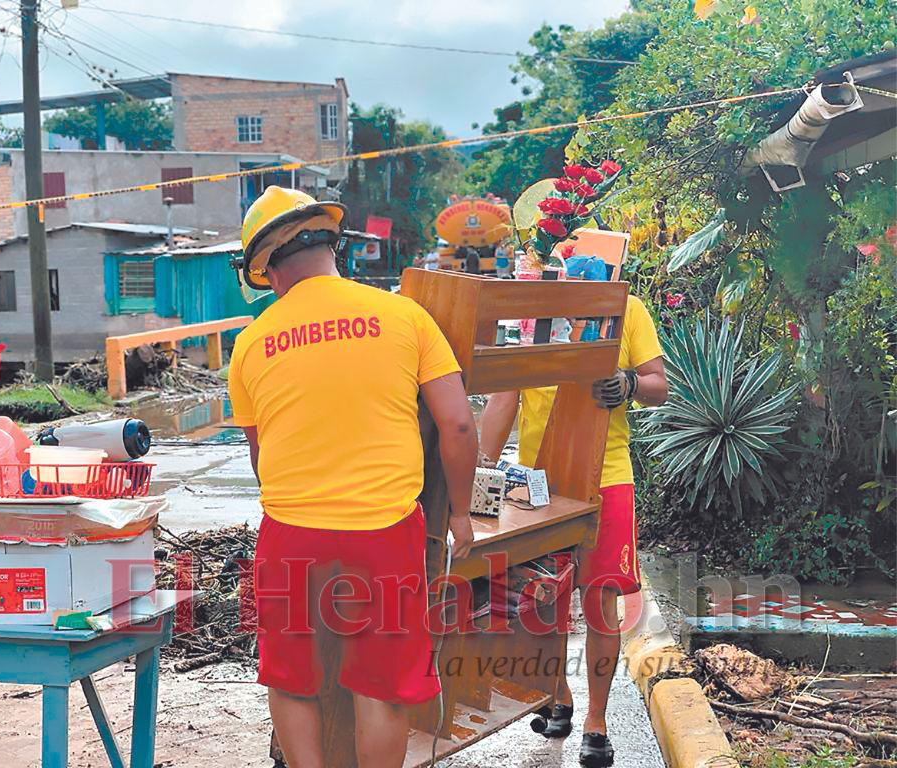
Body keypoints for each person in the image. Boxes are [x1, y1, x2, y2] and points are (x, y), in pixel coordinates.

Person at [229, 186, 478, 768]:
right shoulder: (404, 316)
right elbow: (460, 426)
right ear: (334, 245)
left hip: (290, 532)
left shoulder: (249, 345)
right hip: (386, 531)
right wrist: (461, 512)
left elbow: (260, 454)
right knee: (380, 686)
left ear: (267, 269)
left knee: (292, 680)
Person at [478, 294, 667, 768]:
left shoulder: (629, 310)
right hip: (538, 484)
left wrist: (627, 383)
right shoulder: (534, 312)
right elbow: (506, 396)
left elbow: (657, 386)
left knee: (602, 601)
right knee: (544, 601)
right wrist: (479, 469)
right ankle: (558, 695)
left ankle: (596, 723)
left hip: (607, 477)